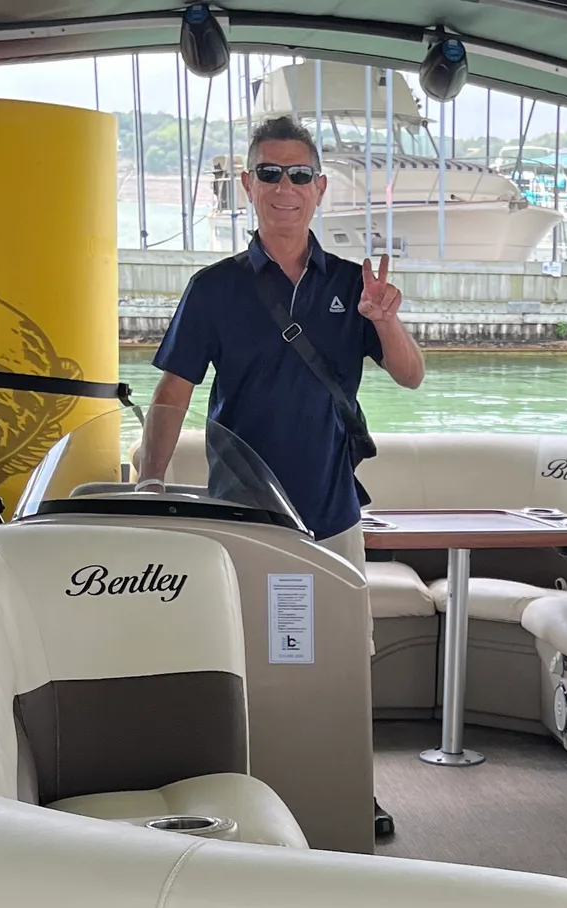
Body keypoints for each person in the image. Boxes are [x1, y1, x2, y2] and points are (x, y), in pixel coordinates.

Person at [137, 113, 425, 574]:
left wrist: (386, 321)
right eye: (269, 173)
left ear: (319, 187)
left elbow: (411, 376)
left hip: (333, 513)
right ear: (249, 185)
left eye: (299, 175)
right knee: (245, 642)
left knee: (338, 641)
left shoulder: (355, 286)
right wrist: (150, 480)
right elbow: (173, 393)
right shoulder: (212, 288)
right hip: (239, 511)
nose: (284, 187)